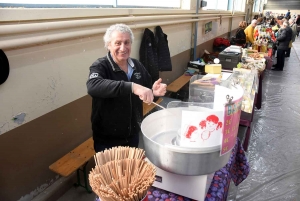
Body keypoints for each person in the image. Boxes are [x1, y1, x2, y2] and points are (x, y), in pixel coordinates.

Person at [86, 23, 167, 152]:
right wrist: (132, 87)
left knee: (130, 171)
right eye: (117, 43)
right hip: (107, 139)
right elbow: (93, 86)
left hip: (133, 134)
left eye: (127, 42)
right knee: (111, 172)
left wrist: (154, 92)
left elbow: (146, 90)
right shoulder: (100, 66)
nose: (123, 48)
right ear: (109, 45)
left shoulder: (137, 65)